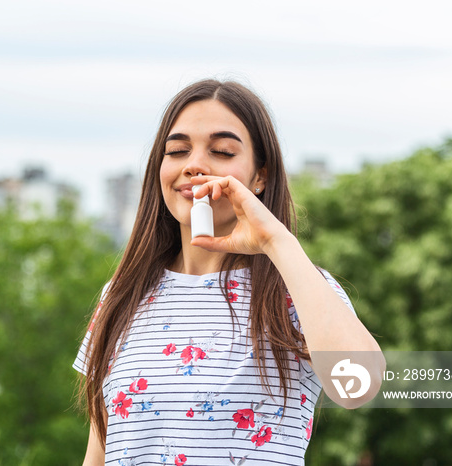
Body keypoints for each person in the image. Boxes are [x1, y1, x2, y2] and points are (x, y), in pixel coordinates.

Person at [74, 79, 385, 466]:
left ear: (261, 176)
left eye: (221, 151)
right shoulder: (121, 294)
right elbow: (99, 452)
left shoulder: (294, 288)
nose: (194, 165)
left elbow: (358, 386)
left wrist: (277, 241)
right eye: (177, 151)